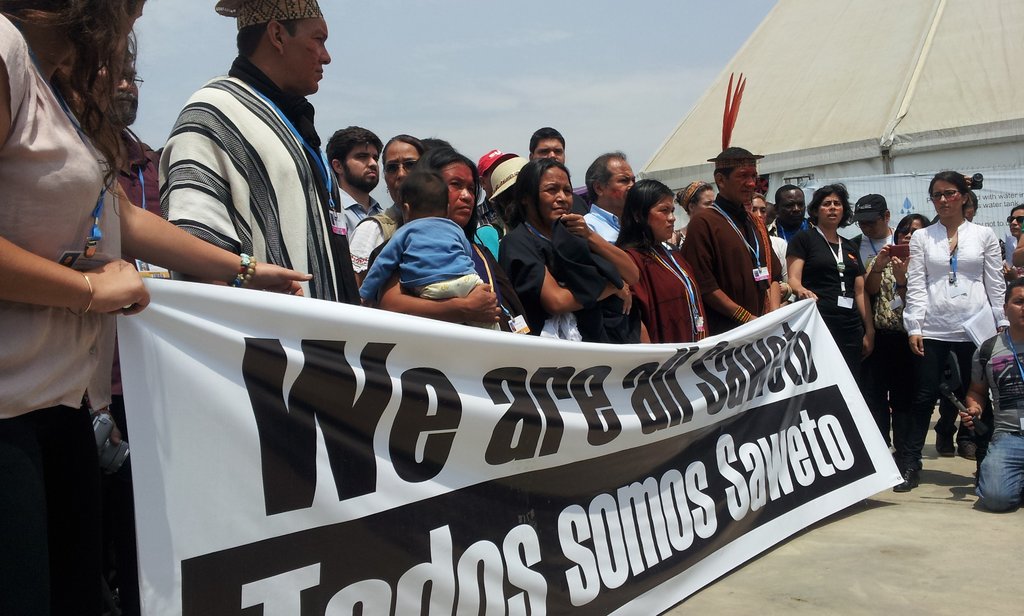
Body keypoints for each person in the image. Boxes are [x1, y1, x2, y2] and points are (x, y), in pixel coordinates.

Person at [0, 2, 309, 613]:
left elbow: (123, 218)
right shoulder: (5, 51)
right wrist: (89, 292)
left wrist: (244, 269)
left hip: (63, 405)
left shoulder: (59, 89)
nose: (138, 16)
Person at [162, 0, 359, 303]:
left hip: (318, 327)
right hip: (268, 330)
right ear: (278, 35)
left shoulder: (288, 120)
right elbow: (197, 254)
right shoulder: (213, 116)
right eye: (318, 39)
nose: (326, 56)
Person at [901, 171, 1007, 489]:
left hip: (975, 326)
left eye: (949, 193)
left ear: (963, 197)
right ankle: (910, 463)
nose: (943, 200)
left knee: (977, 395)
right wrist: (914, 325)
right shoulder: (923, 237)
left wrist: (1001, 321)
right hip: (933, 326)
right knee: (923, 396)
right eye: (937, 195)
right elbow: (916, 283)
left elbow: (995, 281)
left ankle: (985, 464)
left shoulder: (984, 234)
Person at [377, 147, 529, 333]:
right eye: (456, 184)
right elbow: (390, 305)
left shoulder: (480, 252)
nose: (467, 196)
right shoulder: (403, 247)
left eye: (471, 189)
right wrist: (463, 308)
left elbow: (511, 309)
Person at [500, 158, 638, 342]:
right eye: (551, 190)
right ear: (525, 197)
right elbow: (557, 301)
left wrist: (590, 236)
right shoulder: (518, 243)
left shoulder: (574, 234)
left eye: (567, 191)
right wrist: (611, 287)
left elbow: (632, 274)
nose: (562, 198)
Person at [360, 171, 497, 329]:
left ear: (406, 209)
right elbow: (467, 253)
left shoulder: (405, 232)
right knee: (488, 320)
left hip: (432, 289)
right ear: (447, 209)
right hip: (468, 282)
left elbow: (382, 264)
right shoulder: (455, 229)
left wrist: (364, 294)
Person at [680, 147, 782, 334]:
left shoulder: (755, 222)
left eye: (754, 176)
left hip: (763, 328)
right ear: (720, 180)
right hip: (728, 333)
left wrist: (773, 315)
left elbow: (774, 275)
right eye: (742, 176)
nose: (751, 183)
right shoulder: (703, 223)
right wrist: (747, 318)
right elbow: (705, 285)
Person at [787, 184, 874, 375]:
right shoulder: (804, 239)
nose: (833, 208)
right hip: (819, 321)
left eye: (837, 203)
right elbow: (793, 279)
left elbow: (860, 292)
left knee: (851, 378)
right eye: (826, 204)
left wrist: (869, 330)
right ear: (816, 210)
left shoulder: (850, 246)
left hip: (850, 326)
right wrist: (801, 290)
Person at [862, 214, 930, 452]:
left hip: (909, 338)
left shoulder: (928, 263)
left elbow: (915, 301)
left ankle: (904, 452)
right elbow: (870, 291)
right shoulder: (881, 258)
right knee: (875, 396)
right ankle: (880, 448)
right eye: (904, 231)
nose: (908, 236)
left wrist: (902, 280)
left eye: (915, 232)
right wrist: (879, 266)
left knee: (904, 399)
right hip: (882, 337)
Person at [616, 179, 707, 343]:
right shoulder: (630, 261)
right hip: (664, 354)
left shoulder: (673, 253)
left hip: (696, 346)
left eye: (672, 210)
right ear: (638, 215)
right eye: (664, 211)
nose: (672, 218)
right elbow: (634, 320)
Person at [963, 279, 1024, 511]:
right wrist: (974, 408)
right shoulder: (987, 350)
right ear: (1005, 308)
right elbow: (976, 391)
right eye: (1019, 302)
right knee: (995, 499)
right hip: (1009, 437)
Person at [348, 134, 424, 283]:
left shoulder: (448, 223)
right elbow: (357, 292)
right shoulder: (372, 230)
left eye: (410, 165)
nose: (401, 174)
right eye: (392, 168)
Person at [326, 125, 383, 235]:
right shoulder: (327, 212)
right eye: (362, 157)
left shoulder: (384, 216)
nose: (373, 163)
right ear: (338, 166)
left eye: (375, 158)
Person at [527, 126, 588, 215]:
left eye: (557, 151)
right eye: (544, 151)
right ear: (531, 157)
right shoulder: (522, 202)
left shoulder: (579, 204)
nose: (552, 156)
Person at [583, 151, 635, 243]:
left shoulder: (638, 223)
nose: (632, 186)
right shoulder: (587, 227)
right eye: (624, 180)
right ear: (599, 188)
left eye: (633, 180)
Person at [851, 194, 894, 269]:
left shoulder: (904, 239)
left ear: (886, 216)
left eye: (871, 222)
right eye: (862, 223)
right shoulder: (853, 246)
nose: (867, 228)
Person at [671, 180, 715, 246]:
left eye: (713, 203)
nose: (713, 207)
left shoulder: (718, 234)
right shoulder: (674, 239)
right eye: (707, 204)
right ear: (691, 207)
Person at [1002, 204, 1024, 280]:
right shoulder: (1006, 249)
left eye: (1020, 219)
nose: (1013, 222)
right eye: (1011, 219)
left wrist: (1016, 278)